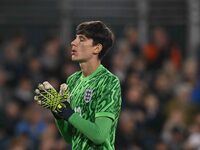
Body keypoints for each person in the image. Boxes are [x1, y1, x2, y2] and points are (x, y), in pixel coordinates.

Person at [34, 21, 122, 149]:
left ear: (97, 48)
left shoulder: (108, 81)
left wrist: (68, 113)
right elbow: (69, 137)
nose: (73, 42)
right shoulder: (73, 80)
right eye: (75, 38)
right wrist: (58, 113)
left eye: (82, 39)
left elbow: (99, 136)